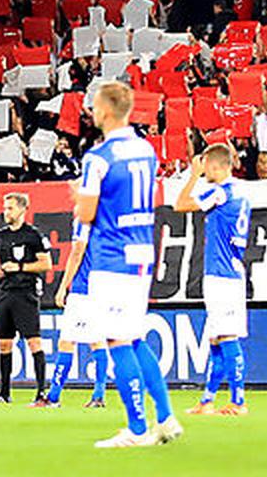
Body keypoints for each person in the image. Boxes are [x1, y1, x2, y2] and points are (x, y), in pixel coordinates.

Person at [77, 81, 182, 448]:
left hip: (113, 256)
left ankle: (137, 430)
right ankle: (166, 417)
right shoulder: (146, 149)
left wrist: (78, 198)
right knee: (135, 336)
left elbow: (87, 213)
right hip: (141, 251)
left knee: (118, 340)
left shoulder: (98, 158)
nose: (91, 110)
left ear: (106, 110)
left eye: (94, 105)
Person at [173, 143, 249, 416]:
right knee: (216, 338)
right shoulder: (240, 190)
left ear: (216, 166)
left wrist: (192, 175)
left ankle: (238, 402)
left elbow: (180, 205)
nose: (203, 169)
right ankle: (207, 400)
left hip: (223, 276)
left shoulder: (220, 192)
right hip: (228, 271)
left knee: (226, 336)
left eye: (205, 165)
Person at [44, 195, 110, 410]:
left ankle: (53, 397)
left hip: (83, 288)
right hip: (104, 285)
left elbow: (76, 253)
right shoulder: (108, 219)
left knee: (67, 341)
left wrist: (64, 286)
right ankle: (98, 395)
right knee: (97, 340)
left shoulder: (84, 220)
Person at [0, 191, 51, 404]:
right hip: (5, 293)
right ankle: (4, 393)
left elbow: (46, 264)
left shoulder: (33, 235)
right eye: (5, 208)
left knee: (33, 342)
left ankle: (41, 392)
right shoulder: (0, 236)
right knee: (4, 344)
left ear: (23, 209)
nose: (6, 212)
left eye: (10, 208)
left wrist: (19, 267)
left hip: (26, 294)